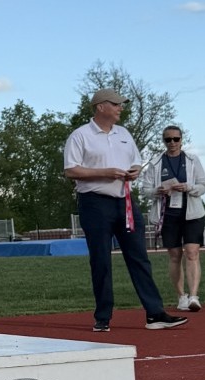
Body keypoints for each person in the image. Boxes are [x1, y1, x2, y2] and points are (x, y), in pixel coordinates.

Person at [63, 89, 188, 332]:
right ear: (101, 106)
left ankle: (155, 314)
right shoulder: (80, 135)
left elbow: (135, 161)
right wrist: (105, 173)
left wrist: (135, 171)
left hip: (125, 201)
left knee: (139, 257)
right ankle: (103, 317)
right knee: (101, 260)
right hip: (94, 203)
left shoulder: (123, 134)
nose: (121, 108)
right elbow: (71, 170)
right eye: (116, 104)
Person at [139, 125, 205, 311]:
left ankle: (194, 296)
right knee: (175, 255)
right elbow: (145, 190)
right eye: (168, 139)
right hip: (168, 214)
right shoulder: (155, 163)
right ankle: (181, 296)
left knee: (192, 252)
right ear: (163, 141)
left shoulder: (192, 160)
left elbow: (203, 185)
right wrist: (158, 191)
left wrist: (189, 188)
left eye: (176, 139)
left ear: (181, 140)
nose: (172, 143)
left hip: (192, 212)